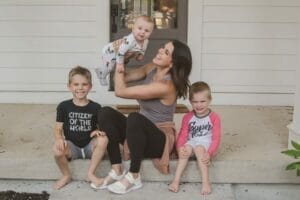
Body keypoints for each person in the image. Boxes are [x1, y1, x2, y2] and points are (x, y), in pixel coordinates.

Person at [95, 40, 192, 194]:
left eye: (166, 52)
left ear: (172, 63)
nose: (160, 50)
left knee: (134, 118)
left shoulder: (166, 85)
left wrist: (119, 56)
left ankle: (134, 175)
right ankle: (117, 168)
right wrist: (124, 59)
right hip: (138, 131)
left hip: (159, 138)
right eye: (163, 47)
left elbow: (120, 91)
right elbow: (123, 78)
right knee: (104, 112)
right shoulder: (152, 68)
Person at [52, 66, 107, 190]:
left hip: (89, 147)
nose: (80, 88)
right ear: (69, 86)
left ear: (90, 86)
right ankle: (66, 175)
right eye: (76, 84)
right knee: (56, 149)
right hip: (72, 147)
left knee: (103, 139)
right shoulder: (63, 106)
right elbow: (57, 129)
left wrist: (97, 131)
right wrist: (59, 139)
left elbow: (101, 128)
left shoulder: (96, 107)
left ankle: (91, 174)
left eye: (84, 84)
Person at [168, 81, 221, 195]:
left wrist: (210, 153)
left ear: (209, 100)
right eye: (195, 102)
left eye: (203, 101)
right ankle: (176, 180)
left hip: (206, 144)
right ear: (190, 101)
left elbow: (216, 138)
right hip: (192, 141)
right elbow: (182, 135)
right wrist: (180, 148)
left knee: (199, 149)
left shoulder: (214, 118)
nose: (199, 105)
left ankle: (206, 182)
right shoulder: (188, 117)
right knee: (186, 149)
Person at [95, 15, 154, 86]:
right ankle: (101, 75)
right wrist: (120, 64)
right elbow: (121, 52)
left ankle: (101, 70)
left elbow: (142, 49)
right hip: (110, 51)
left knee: (118, 64)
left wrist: (141, 54)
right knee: (110, 67)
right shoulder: (130, 40)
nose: (143, 32)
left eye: (146, 30)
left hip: (122, 53)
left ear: (150, 33)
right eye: (140, 28)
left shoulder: (145, 41)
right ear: (133, 29)